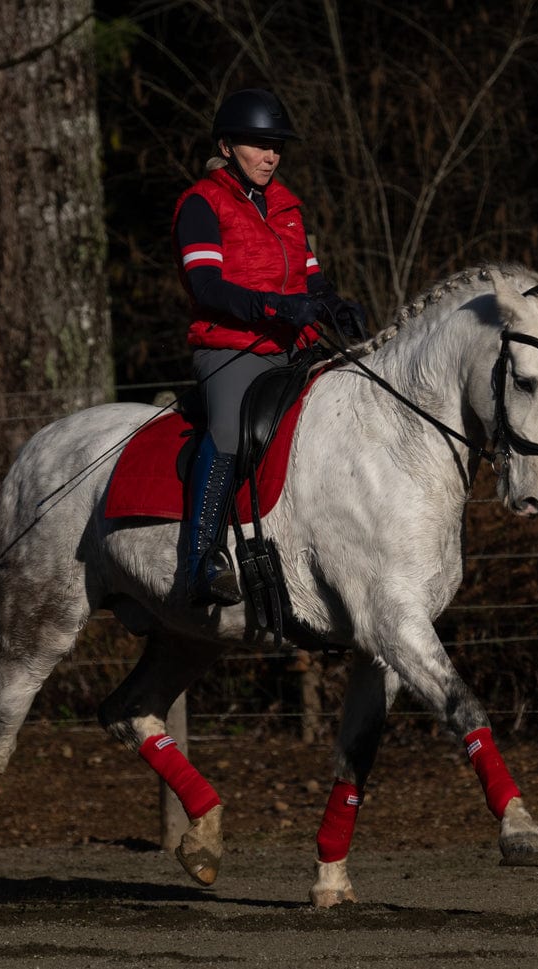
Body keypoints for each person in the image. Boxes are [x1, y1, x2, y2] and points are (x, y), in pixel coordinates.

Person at [172, 88, 360, 605]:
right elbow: (206, 287)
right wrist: (273, 309)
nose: (271, 155)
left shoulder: (286, 205)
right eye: (258, 144)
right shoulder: (201, 204)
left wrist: (335, 305)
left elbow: (310, 278)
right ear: (228, 146)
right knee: (230, 429)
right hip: (231, 347)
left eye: (276, 145)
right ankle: (201, 562)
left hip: (293, 346)